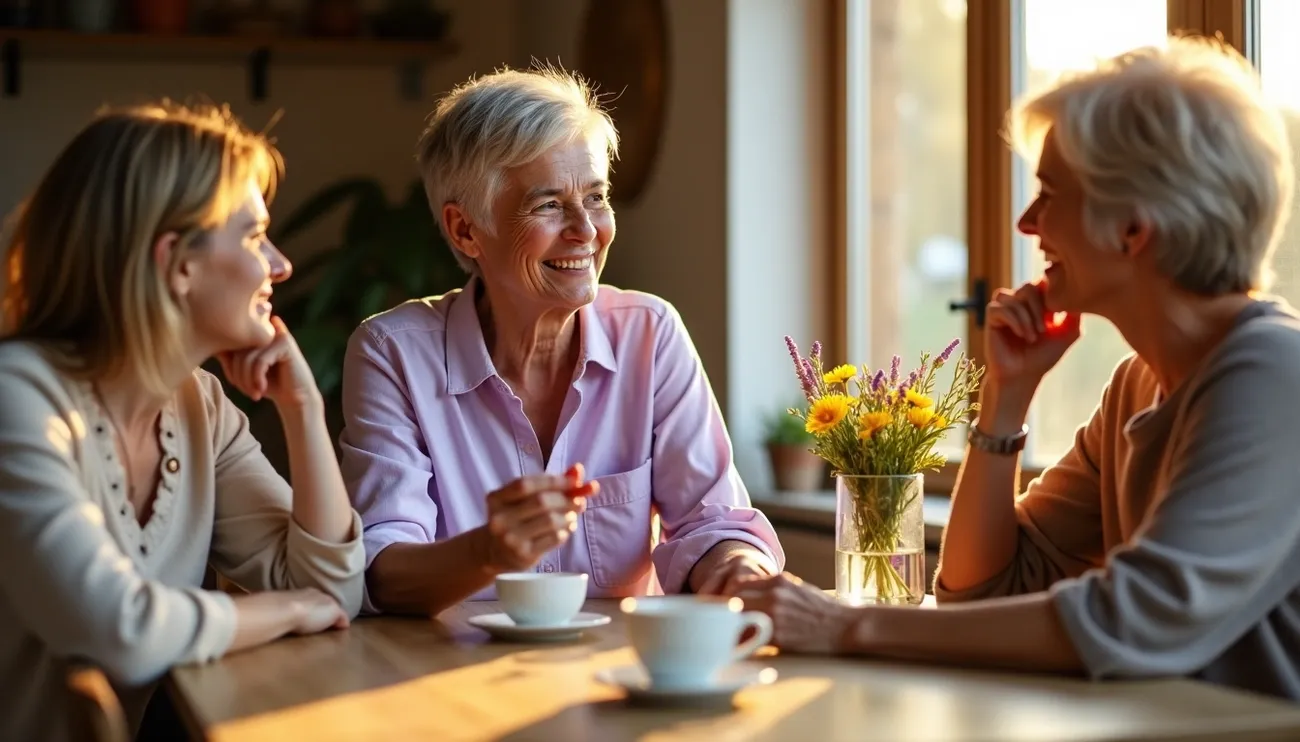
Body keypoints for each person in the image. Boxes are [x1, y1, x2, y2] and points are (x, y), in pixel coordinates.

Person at [734, 35, 1300, 699]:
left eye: (1051, 194)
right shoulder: (1139, 384)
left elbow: (1138, 619)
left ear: (1132, 231)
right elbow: (979, 590)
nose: (1028, 223)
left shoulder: (1272, 375)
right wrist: (1007, 401)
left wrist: (848, 625)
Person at [341, 66, 784, 615]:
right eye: (548, 204)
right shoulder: (394, 354)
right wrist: (488, 551)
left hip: (617, 678)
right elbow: (383, 573)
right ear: (464, 230)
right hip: (448, 675)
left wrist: (743, 572)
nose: (586, 229)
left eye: (596, 197)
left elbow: (711, 523)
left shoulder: (651, 334)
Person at [0, 102, 366, 740]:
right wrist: (287, 610)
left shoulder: (200, 405)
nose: (279, 265)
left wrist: (302, 408)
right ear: (179, 263)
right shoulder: (18, 397)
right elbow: (120, 629)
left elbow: (331, 590)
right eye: (254, 236)